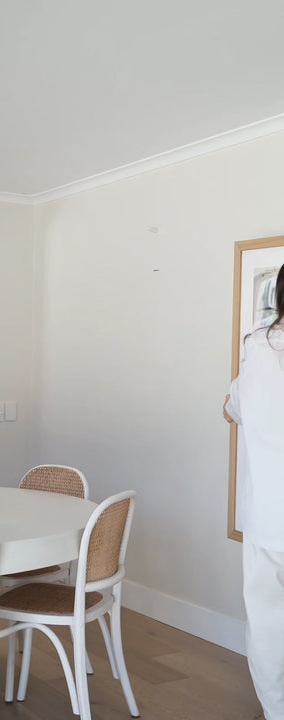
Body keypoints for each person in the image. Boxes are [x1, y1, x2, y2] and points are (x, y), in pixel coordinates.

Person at [223, 262, 284, 720]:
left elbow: (231, 408)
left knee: (266, 621)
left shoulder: (257, 347)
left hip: (268, 513)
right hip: (267, 514)